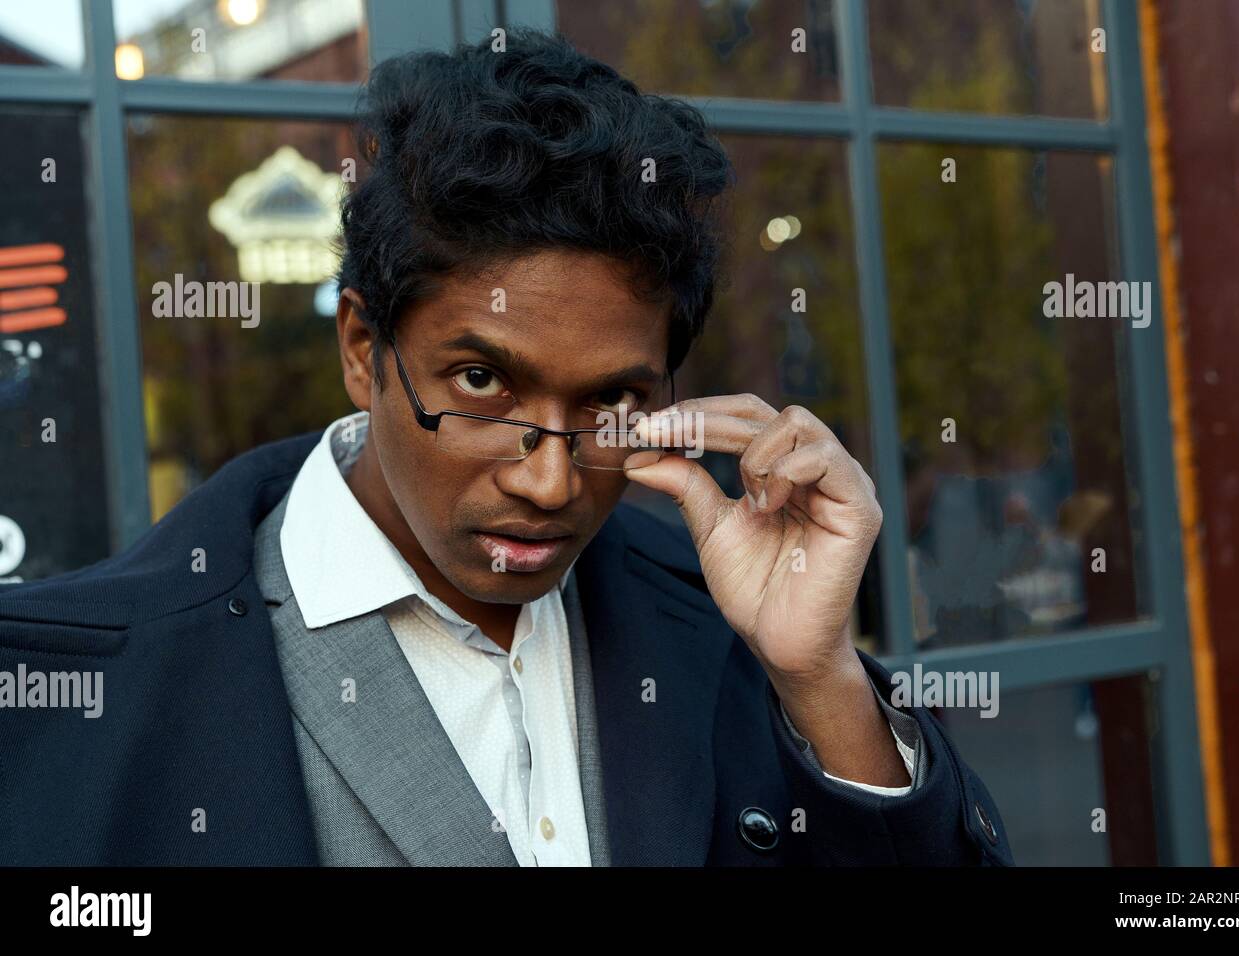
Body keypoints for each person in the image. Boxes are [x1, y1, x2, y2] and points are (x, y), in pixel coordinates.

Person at [0, 29, 1011, 866]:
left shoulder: (721, 623)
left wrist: (821, 676)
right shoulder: (78, 696)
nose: (548, 477)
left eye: (612, 400)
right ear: (363, 347)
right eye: (482, 382)